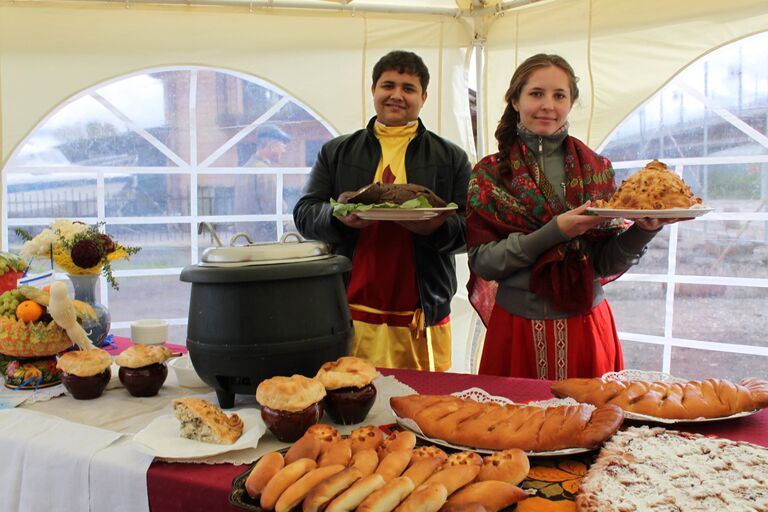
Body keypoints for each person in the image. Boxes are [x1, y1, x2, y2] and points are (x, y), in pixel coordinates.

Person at [466, 53, 685, 380]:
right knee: (516, 427)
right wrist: (555, 231)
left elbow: (605, 262)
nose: (548, 105)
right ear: (515, 100)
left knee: (592, 425)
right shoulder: (490, 174)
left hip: (587, 329)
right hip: (516, 332)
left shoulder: (597, 170)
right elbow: (484, 263)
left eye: (559, 95)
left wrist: (644, 230)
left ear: (571, 102)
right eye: (536, 94)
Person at [293, 50, 471, 372]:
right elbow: (304, 214)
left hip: (421, 312)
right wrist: (339, 217)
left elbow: (472, 229)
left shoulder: (451, 158)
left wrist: (435, 228)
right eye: (388, 85)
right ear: (373, 90)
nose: (397, 95)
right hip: (348, 309)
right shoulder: (336, 151)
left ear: (424, 97)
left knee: (420, 407)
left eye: (408, 88)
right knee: (351, 399)